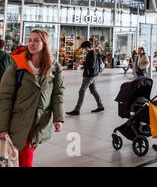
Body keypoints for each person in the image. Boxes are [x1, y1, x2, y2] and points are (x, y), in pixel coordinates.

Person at [0, 29, 64, 167]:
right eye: (30, 40)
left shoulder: (54, 67)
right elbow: (5, 97)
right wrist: (2, 128)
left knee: (25, 155)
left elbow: (57, 94)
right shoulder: (17, 65)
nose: (31, 43)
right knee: (25, 158)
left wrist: (58, 118)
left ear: (45, 43)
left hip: (40, 122)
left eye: (36, 40)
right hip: (19, 121)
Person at [66, 41, 104, 116]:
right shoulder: (92, 53)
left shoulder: (92, 53)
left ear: (87, 47)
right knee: (93, 90)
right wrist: (84, 62)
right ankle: (100, 106)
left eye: (84, 48)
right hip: (92, 75)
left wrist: (82, 63)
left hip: (90, 76)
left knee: (81, 91)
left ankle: (77, 110)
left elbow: (92, 65)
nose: (84, 49)